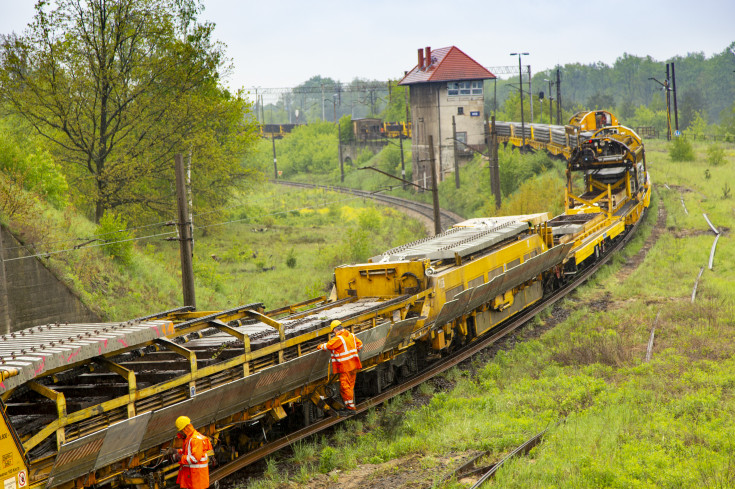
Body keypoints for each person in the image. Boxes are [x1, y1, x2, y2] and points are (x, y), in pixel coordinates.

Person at [318, 320, 363, 414]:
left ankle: (350, 408)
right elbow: (360, 345)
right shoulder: (351, 335)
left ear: (335, 330)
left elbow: (327, 346)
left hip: (345, 367)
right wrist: (353, 353)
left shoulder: (339, 339)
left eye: (333, 332)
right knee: (350, 386)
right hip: (354, 365)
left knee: (345, 387)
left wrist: (319, 346)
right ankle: (349, 406)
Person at [171, 416, 212, 489]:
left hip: (197, 477)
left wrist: (179, 457)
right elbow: (187, 452)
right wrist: (175, 451)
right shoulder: (190, 438)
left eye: (180, 431)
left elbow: (195, 458)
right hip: (194, 476)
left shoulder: (195, 440)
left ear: (185, 429)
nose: (179, 432)